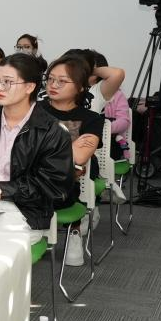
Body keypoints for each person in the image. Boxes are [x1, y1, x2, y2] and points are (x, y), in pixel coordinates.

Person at [0, 54, 72, 231]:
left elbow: (52, 185)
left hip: (27, 210)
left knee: (1, 238)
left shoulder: (51, 130)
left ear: (29, 87)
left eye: (8, 82)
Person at [41, 55, 104, 208]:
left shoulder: (91, 119)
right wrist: (70, 149)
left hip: (59, 189)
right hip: (25, 183)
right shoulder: (32, 110)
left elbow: (80, 157)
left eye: (62, 81)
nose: (53, 85)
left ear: (80, 87)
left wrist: (38, 150)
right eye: (50, 79)